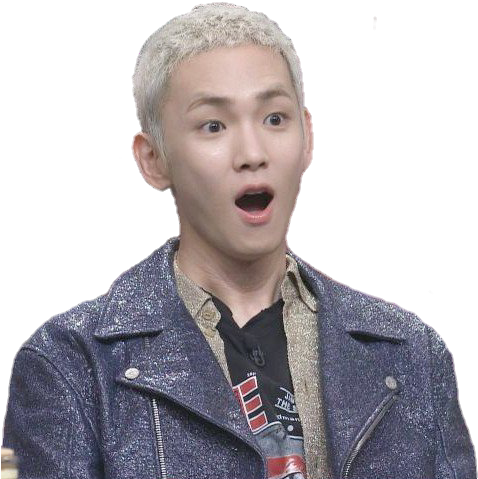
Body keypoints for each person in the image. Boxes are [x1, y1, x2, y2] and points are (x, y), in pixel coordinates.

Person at [3, 4, 476, 478]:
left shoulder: (412, 352)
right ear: (153, 160)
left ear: (308, 137)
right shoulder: (70, 364)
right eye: (214, 125)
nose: (252, 153)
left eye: (274, 118)